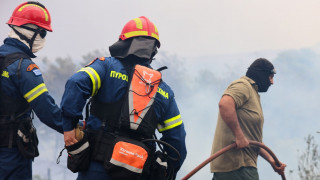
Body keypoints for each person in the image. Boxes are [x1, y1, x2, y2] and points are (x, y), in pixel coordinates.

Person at [61, 16, 187, 180]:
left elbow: (75, 83)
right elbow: (177, 141)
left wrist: (69, 128)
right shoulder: (164, 91)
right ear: (153, 50)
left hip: (96, 169)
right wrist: (169, 173)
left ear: (123, 43)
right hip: (138, 174)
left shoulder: (105, 67)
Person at [0, 2, 63, 180]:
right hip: (12, 154)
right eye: (42, 33)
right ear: (30, 31)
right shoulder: (24, 67)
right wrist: (75, 127)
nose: (43, 39)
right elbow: (47, 111)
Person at [210, 58, 286, 180]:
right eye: (270, 77)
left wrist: (272, 161)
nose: (272, 82)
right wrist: (239, 135)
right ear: (261, 74)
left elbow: (252, 140)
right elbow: (225, 104)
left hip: (241, 167)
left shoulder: (253, 93)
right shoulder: (243, 85)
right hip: (237, 166)